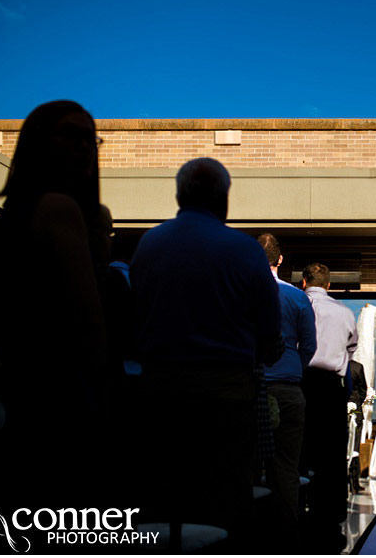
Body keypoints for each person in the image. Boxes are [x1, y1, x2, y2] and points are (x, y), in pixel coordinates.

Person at [131, 157, 283, 548]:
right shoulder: (244, 251)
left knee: (162, 503)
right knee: (225, 502)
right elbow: (269, 331)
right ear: (224, 200)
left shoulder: (150, 244)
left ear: (179, 195)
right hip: (227, 396)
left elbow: (136, 316)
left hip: (159, 393)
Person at [0, 100, 110, 515]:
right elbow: (88, 324)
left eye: (90, 138)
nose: (84, 147)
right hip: (63, 400)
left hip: (23, 397)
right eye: (71, 135)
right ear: (39, 142)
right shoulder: (58, 210)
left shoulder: (17, 212)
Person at [256, 233, 316, 551]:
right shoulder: (296, 297)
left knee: (246, 465)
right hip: (288, 388)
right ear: (280, 261)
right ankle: (286, 538)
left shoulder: (242, 293)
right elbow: (309, 345)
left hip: (251, 388)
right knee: (287, 467)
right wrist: (293, 366)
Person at [299, 262, 358, 551]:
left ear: (304, 283)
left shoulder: (296, 304)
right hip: (332, 388)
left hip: (302, 381)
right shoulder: (345, 313)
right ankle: (332, 517)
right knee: (333, 456)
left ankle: (298, 508)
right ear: (330, 285)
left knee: (300, 450)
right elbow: (350, 351)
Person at [347, 358, 368, 490]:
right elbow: (363, 390)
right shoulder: (357, 367)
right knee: (354, 447)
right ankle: (354, 481)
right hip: (355, 409)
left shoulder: (334, 364)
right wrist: (357, 401)